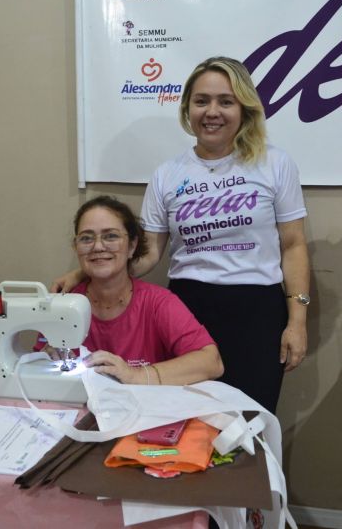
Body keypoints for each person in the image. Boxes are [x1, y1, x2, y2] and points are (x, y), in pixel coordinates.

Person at [54, 56, 310, 413]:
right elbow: (147, 253)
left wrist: (297, 321)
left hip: (257, 312)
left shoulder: (275, 164)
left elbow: (294, 246)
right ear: (187, 108)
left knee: (248, 422)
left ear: (244, 108)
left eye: (226, 101)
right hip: (188, 309)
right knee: (184, 418)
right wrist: (85, 271)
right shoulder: (167, 175)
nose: (212, 112)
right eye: (201, 101)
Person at [46, 195, 224, 386]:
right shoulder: (63, 304)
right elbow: (40, 364)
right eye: (86, 238)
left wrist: (136, 375)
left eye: (110, 236)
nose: (97, 246)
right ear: (76, 247)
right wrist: (46, 355)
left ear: (132, 245)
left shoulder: (158, 303)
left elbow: (212, 363)